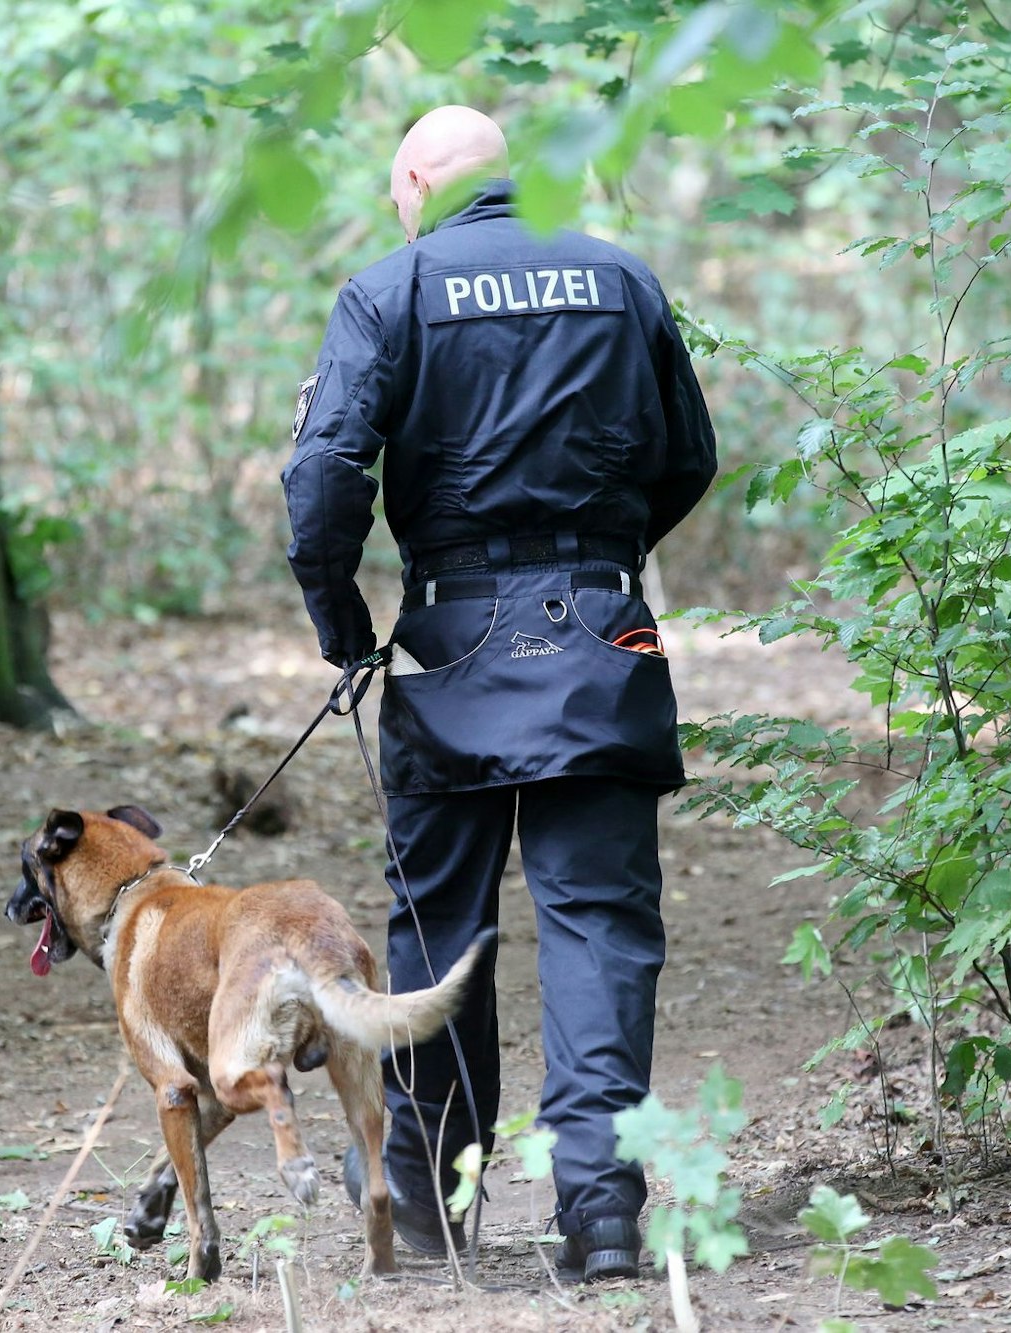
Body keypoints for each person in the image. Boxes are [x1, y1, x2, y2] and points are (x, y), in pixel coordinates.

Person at [279, 105, 717, 1283]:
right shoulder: (621, 278)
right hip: (602, 637)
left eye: (396, 193)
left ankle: (428, 1199)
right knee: (600, 927)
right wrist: (599, 552)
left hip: (448, 640)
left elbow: (322, 480)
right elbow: (689, 456)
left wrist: (348, 631)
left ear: (417, 177)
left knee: (437, 927)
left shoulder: (392, 288)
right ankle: (603, 1209)